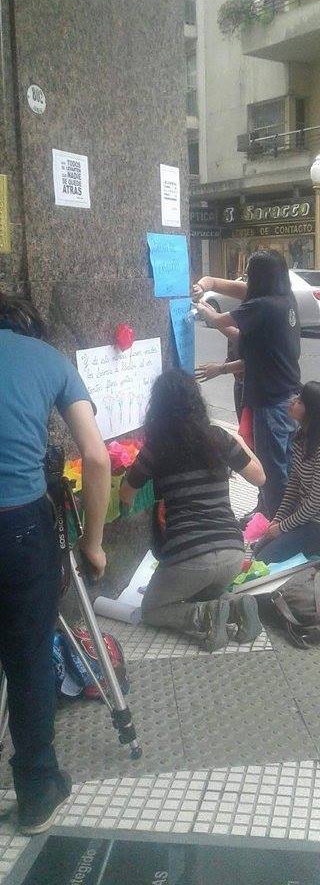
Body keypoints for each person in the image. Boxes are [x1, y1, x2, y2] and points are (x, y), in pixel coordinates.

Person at [0, 293, 110, 834]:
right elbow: (95, 455)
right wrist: (93, 542)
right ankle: (38, 791)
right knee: (27, 658)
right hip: (20, 528)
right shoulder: (47, 360)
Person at [119, 369, 265, 651]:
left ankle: (204, 615)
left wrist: (128, 505)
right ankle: (234, 604)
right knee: (204, 588)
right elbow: (260, 477)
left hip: (190, 556)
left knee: (152, 608)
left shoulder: (157, 447)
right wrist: (242, 442)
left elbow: (126, 492)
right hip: (233, 552)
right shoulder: (217, 438)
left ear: (157, 407)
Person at [194, 251, 301, 519]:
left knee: (272, 472)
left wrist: (204, 309)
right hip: (288, 398)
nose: (245, 280)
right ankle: (275, 516)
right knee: (284, 467)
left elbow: (222, 321)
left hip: (271, 403)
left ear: (258, 278)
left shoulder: (262, 305)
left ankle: (277, 528)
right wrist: (207, 283)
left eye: (249, 273)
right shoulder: (285, 299)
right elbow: (242, 336)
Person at [255, 382, 320, 565]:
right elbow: (293, 486)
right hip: (306, 519)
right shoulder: (302, 437)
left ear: (315, 412)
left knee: (265, 561)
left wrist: (282, 528)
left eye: (301, 402)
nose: (292, 402)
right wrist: (278, 519)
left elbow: (315, 502)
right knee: (260, 549)